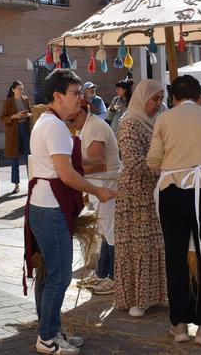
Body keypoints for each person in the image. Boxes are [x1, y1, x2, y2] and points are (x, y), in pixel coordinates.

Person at [23, 69, 115, 354]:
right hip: (50, 208)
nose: (80, 99)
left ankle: (50, 330)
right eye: (75, 93)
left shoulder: (47, 122)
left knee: (48, 273)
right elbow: (66, 174)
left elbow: (67, 169)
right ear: (57, 96)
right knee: (60, 276)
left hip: (44, 205)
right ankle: (47, 338)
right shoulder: (54, 126)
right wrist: (97, 190)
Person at [147, 75, 201, 345]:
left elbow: (153, 161)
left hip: (172, 191)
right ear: (199, 97)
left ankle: (179, 325)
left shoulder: (164, 119)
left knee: (175, 258)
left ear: (173, 98)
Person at [114, 79, 167, 318]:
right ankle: (137, 299)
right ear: (142, 98)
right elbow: (133, 162)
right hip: (134, 195)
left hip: (152, 193)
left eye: (161, 99)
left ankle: (155, 296)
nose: (158, 104)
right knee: (138, 247)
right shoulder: (129, 124)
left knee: (155, 245)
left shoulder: (154, 122)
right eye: (154, 99)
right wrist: (165, 166)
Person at [70, 102, 121, 295]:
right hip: (99, 186)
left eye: (73, 119)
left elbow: (98, 164)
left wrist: (71, 174)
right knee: (104, 231)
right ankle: (101, 273)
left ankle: (114, 279)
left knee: (110, 231)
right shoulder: (85, 127)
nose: (72, 123)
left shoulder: (94, 127)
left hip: (107, 185)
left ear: (82, 112)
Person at [0, 81, 33, 194]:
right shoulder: (8, 102)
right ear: (13, 89)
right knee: (15, 158)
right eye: (19, 88)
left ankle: (32, 184)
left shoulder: (25, 99)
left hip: (25, 130)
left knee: (29, 157)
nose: (21, 90)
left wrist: (28, 115)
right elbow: (3, 118)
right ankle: (16, 185)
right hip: (14, 132)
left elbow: (30, 113)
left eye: (22, 88)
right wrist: (15, 116)